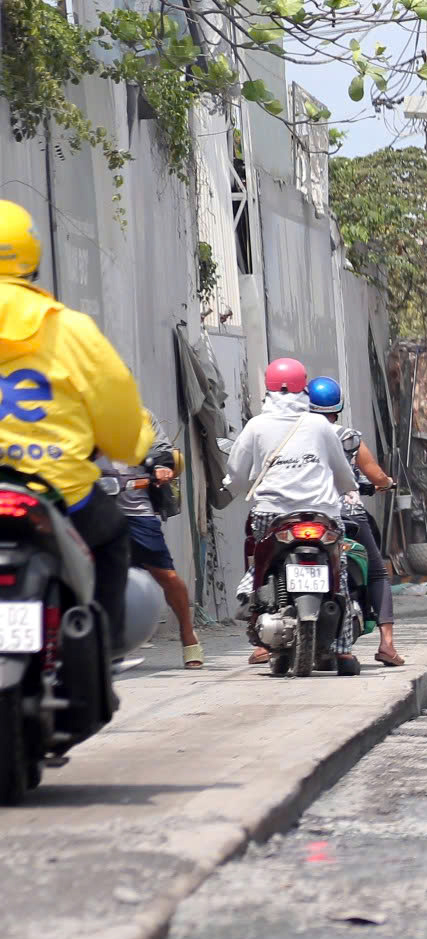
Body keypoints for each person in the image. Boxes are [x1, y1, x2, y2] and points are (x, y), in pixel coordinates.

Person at [0, 200, 153, 654]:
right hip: (59, 494)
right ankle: (98, 653)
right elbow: (119, 416)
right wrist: (133, 445)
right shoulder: (71, 330)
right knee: (112, 534)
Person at [224, 358, 361, 674]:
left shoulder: (256, 425)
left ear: (268, 389)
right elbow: (341, 469)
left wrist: (235, 486)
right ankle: (342, 652)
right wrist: (348, 487)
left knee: (259, 565)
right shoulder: (319, 425)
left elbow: (237, 472)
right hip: (322, 515)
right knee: (339, 575)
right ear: (304, 388)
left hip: (272, 514)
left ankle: (255, 617)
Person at [306, 376, 404, 667]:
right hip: (346, 514)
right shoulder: (348, 437)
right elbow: (375, 475)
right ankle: (387, 644)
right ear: (338, 407)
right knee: (378, 573)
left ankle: (262, 644)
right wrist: (386, 482)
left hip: (305, 511)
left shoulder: (297, 433)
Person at [98, 409, 203, 669]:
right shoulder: (80, 410)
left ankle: (188, 634)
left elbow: (161, 448)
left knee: (166, 575)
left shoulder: (140, 415)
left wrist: (161, 466)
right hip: (93, 506)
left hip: (136, 508)